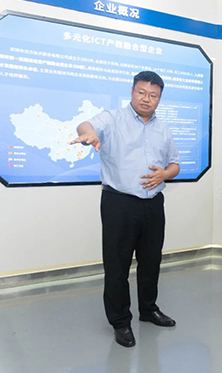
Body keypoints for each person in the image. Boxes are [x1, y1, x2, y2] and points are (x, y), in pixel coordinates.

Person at [70, 71, 180, 348]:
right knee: (117, 265)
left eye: (153, 95)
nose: (146, 99)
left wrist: (165, 174)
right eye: (142, 92)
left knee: (151, 261)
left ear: (159, 98)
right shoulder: (112, 118)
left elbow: (175, 164)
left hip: (153, 203)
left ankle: (148, 309)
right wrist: (87, 133)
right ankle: (120, 322)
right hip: (119, 203)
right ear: (132, 91)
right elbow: (86, 125)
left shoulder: (163, 129)